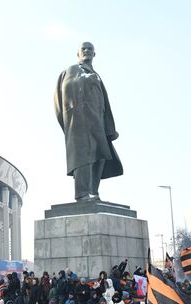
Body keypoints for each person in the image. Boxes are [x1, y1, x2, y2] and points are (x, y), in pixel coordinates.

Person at [54, 42, 122, 202]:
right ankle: (82, 193)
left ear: (94, 54)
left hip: (97, 122)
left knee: (101, 155)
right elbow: (66, 90)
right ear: (78, 53)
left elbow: (104, 102)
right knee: (83, 156)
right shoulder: (73, 70)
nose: (87, 51)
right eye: (83, 49)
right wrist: (85, 81)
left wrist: (108, 127)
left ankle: (93, 191)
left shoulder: (96, 74)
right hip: (80, 122)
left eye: (90, 49)